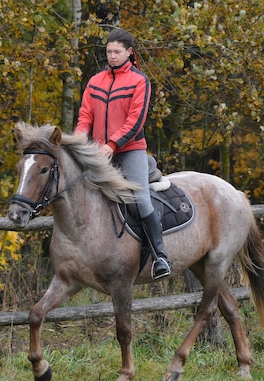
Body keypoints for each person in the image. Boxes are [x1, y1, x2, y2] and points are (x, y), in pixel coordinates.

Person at [75, 28, 170, 280]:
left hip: (130, 151)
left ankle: (160, 256)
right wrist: (78, 143)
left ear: (129, 52)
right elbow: (85, 116)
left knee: (140, 200)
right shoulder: (95, 81)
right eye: (109, 51)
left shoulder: (140, 81)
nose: (112, 56)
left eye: (117, 52)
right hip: (98, 152)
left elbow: (135, 121)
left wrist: (112, 144)